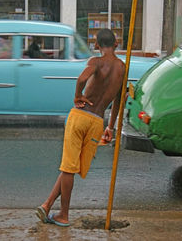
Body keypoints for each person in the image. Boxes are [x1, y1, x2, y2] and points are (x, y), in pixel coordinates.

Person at [35, 28, 125, 227]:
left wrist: (78, 95)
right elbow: (119, 100)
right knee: (71, 168)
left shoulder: (96, 62)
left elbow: (82, 79)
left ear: (96, 45)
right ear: (116, 44)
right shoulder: (122, 68)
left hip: (80, 116)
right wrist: (111, 126)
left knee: (68, 167)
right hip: (97, 122)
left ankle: (63, 215)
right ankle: (47, 205)